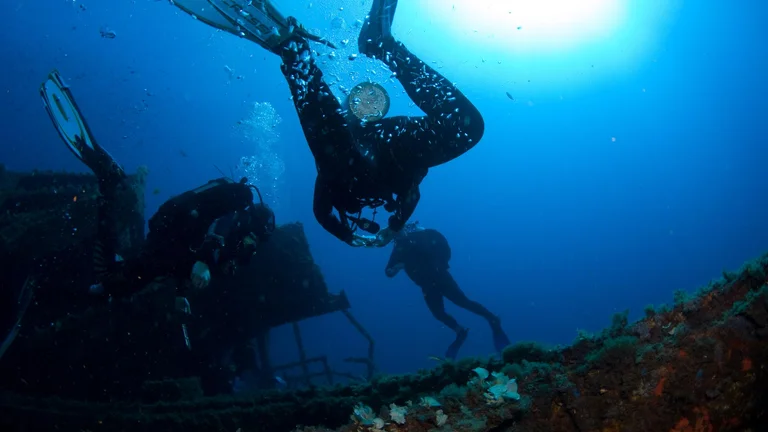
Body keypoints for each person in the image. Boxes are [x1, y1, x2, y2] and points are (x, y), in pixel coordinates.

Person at [170, 0, 485, 248]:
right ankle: (330, 52)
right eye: (361, 103)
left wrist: (373, 233)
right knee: (462, 129)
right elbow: (324, 213)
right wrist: (386, 230)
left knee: (464, 128)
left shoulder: (368, 170)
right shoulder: (352, 166)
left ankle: (317, 51)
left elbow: (323, 214)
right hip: (366, 150)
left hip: (386, 148)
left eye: (374, 103)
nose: (368, 106)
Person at [40, 69, 276, 300]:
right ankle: (108, 182)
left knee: (116, 285)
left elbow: (201, 252)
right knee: (113, 280)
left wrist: (187, 281)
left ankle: (60, 288)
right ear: (251, 223)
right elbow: (206, 223)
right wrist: (199, 262)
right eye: (254, 238)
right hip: (171, 230)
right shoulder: (236, 208)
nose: (250, 246)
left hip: (172, 239)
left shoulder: (230, 234)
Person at [385, 223, 510, 359]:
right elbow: (389, 270)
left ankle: (492, 319)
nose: (398, 234)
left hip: (441, 278)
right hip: (427, 285)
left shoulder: (423, 236)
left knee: (463, 302)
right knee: (438, 313)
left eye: (399, 230)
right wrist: (396, 268)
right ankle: (460, 331)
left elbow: (443, 249)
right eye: (395, 233)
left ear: (404, 228)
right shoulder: (399, 247)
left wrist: (437, 265)